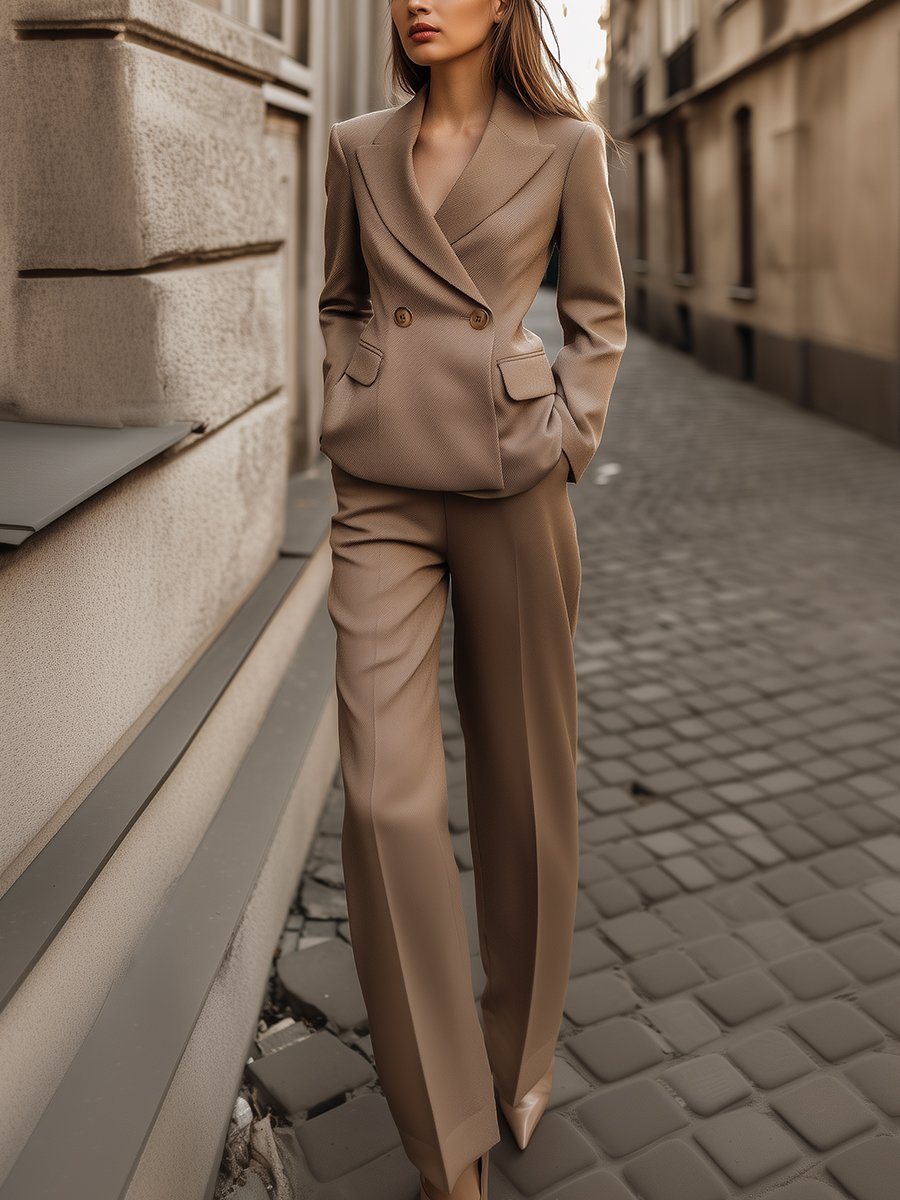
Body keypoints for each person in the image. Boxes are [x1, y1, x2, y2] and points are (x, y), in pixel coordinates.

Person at [317, 2, 627, 1196]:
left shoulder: (566, 148)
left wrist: (566, 435)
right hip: (382, 487)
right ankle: (449, 1138)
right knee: (385, 799)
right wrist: (356, 387)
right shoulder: (356, 146)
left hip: (510, 478)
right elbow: (343, 299)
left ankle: (517, 1063)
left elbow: (596, 317)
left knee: (525, 790)